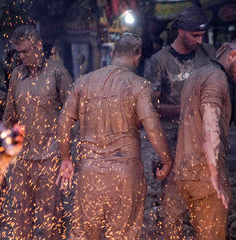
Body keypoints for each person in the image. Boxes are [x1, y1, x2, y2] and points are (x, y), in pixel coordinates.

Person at [56, 34, 173, 239]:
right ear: (137, 57)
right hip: (125, 174)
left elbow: (63, 122)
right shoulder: (140, 85)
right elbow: (152, 127)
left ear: (112, 54)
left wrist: (66, 158)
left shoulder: (83, 82)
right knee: (122, 234)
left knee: (82, 234)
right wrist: (167, 160)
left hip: (89, 173)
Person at [174, 36, 236, 240]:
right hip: (205, 179)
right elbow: (210, 128)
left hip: (185, 175)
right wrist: (215, 176)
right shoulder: (217, 79)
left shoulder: (196, 75)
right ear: (233, 55)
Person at [144, 6, 216, 238]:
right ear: (181, 32)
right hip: (173, 144)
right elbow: (150, 107)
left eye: (202, 35)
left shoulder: (208, 55)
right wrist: (182, 109)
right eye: (195, 35)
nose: (199, 40)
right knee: (173, 207)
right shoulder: (159, 61)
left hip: (202, 143)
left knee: (203, 205)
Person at [0, 25, 73, 239]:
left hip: (50, 158)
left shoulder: (58, 72)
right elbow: (9, 115)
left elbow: (71, 116)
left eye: (26, 51)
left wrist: (66, 155)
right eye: (18, 52)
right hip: (22, 160)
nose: (21, 57)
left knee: (52, 218)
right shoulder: (16, 75)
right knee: (21, 218)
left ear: (39, 46)